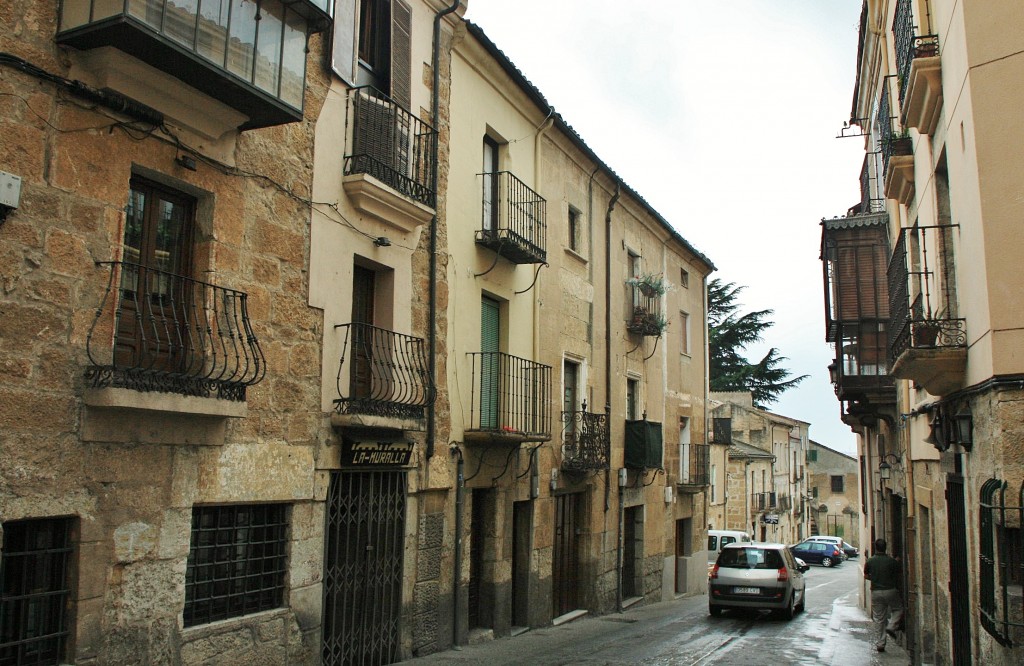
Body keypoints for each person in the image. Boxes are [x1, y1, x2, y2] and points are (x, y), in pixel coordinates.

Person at [864, 538, 904, 652]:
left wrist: (875, 578)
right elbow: (898, 571)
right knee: (898, 609)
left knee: (879, 618)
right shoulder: (891, 561)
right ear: (885, 548)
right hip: (890, 590)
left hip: (876, 591)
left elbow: (866, 576)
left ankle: (881, 644)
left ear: (876, 548)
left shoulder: (870, 561)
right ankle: (892, 626)